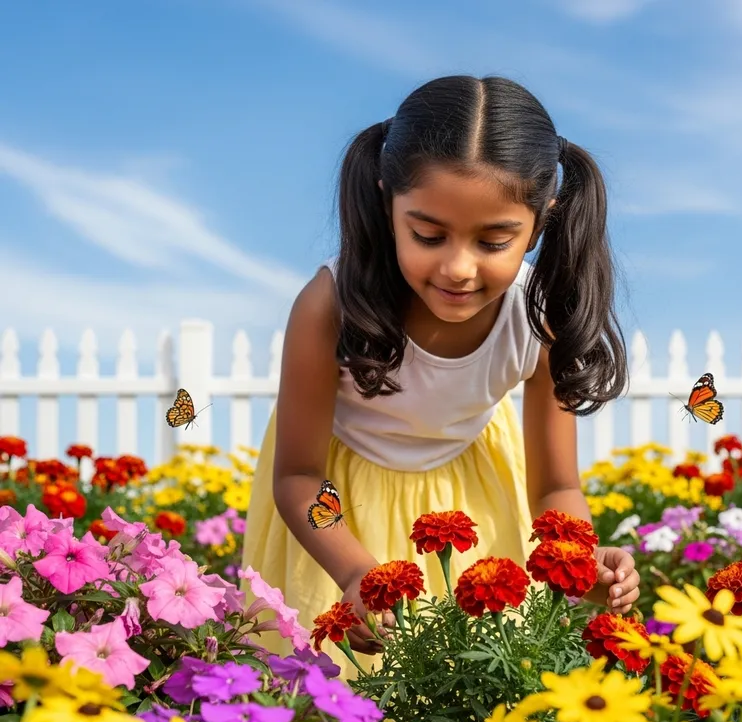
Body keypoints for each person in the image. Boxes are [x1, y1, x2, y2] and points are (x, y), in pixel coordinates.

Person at [242, 74, 640, 672]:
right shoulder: (329, 306)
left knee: (475, 686)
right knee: (335, 708)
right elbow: (300, 476)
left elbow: (557, 488)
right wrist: (355, 571)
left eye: (495, 241)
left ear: (541, 221)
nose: (458, 267)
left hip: (473, 502)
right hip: (336, 515)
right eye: (428, 235)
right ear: (386, 204)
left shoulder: (539, 318)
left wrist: (576, 558)